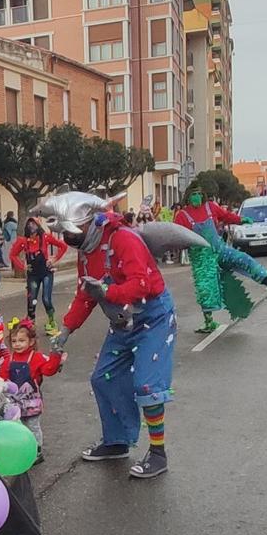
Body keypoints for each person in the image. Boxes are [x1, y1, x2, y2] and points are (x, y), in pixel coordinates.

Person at [54, 204, 175, 480]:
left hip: (153, 319)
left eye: (73, 229)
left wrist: (107, 290)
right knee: (103, 378)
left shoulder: (123, 239)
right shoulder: (85, 252)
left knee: (147, 385)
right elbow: (85, 295)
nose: (69, 235)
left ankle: (158, 454)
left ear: (91, 223)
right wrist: (65, 329)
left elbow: (142, 284)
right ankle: (117, 441)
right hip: (121, 324)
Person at [175, 192, 267, 332]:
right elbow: (178, 236)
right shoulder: (182, 215)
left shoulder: (210, 207)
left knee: (244, 259)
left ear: (202, 194)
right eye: (192, 194)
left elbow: (226, 216)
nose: (195, 197)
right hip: (202, 259)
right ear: (188, 197)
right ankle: (209, 322)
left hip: (220, 250)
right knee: (206, 289)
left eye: (197, 194)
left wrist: (241, 219)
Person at [0, 317, 63, 447]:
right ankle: (22, 448)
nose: (17, 344)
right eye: (14, 341)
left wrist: (56, 357)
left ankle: (36, 449)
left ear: (31, 341)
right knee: (18, 427)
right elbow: (1, 379)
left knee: (33, 426)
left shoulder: (37, 357)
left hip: (32, 401)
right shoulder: (8, 360)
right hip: (14, 402)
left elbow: (48, 370)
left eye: (21, 341)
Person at [9, 216, 68, 333]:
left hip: (46, 273)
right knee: (32, 300)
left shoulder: (45, 237)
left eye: (34, 225)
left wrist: (54, 259)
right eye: (29, 225)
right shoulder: (23, 241)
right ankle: (31, 324)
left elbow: (63, 246)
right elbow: (12, 255)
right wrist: (22, 266)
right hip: (33, 275)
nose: (31, 228)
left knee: (46, 299)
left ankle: (51, 322)